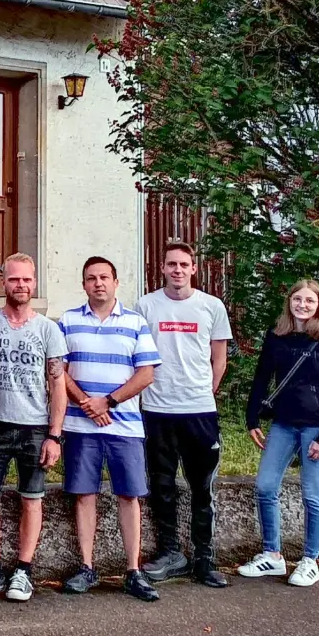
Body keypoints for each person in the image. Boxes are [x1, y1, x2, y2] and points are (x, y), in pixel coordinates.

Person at [57, 257, 162, 602]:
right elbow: (58, 370)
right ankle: (87, 567)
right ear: (83, 284)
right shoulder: (68, 322)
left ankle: (133, 570)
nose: (98, 283)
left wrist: (109, 402)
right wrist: (88, 403)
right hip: (79, 425)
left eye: (104, 277)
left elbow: (146, 373)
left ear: (116, 282)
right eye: (91, 278)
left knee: (128, 496)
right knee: (84, 494)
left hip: (125, 426)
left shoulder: (135, 322)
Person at [0, 253, 67, 603]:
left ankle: (23, 571)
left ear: (34, 283)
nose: (20, 285)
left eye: (26, 280)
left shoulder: (47, 330)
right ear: (2, 283)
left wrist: (54, 435)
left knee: (32, 498)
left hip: (35, 427)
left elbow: (57, 385)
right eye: (13, 279)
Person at [239, 279, 319, 587]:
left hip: (318, 426)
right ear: (289, 302)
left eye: (309, 301)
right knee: (264, 486)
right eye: (297, 299)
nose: (302, 305)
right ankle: (272, 556)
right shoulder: (277, 337)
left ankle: (309, 561)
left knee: (312, 494)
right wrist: (252, 418)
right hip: (284, 423)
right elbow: (262, 377)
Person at [135, 241, 233, 588]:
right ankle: (170, 553)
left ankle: (204, 557)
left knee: (201, 488)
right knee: (161, 486)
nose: (177, 270)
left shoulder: (211, 306)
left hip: (199, 412)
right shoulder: (145, 306)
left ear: (194, 269)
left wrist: (206, 391)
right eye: (171, 264)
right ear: (161, 268)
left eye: (184, 265)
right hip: (158, 411)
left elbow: (218, 358)